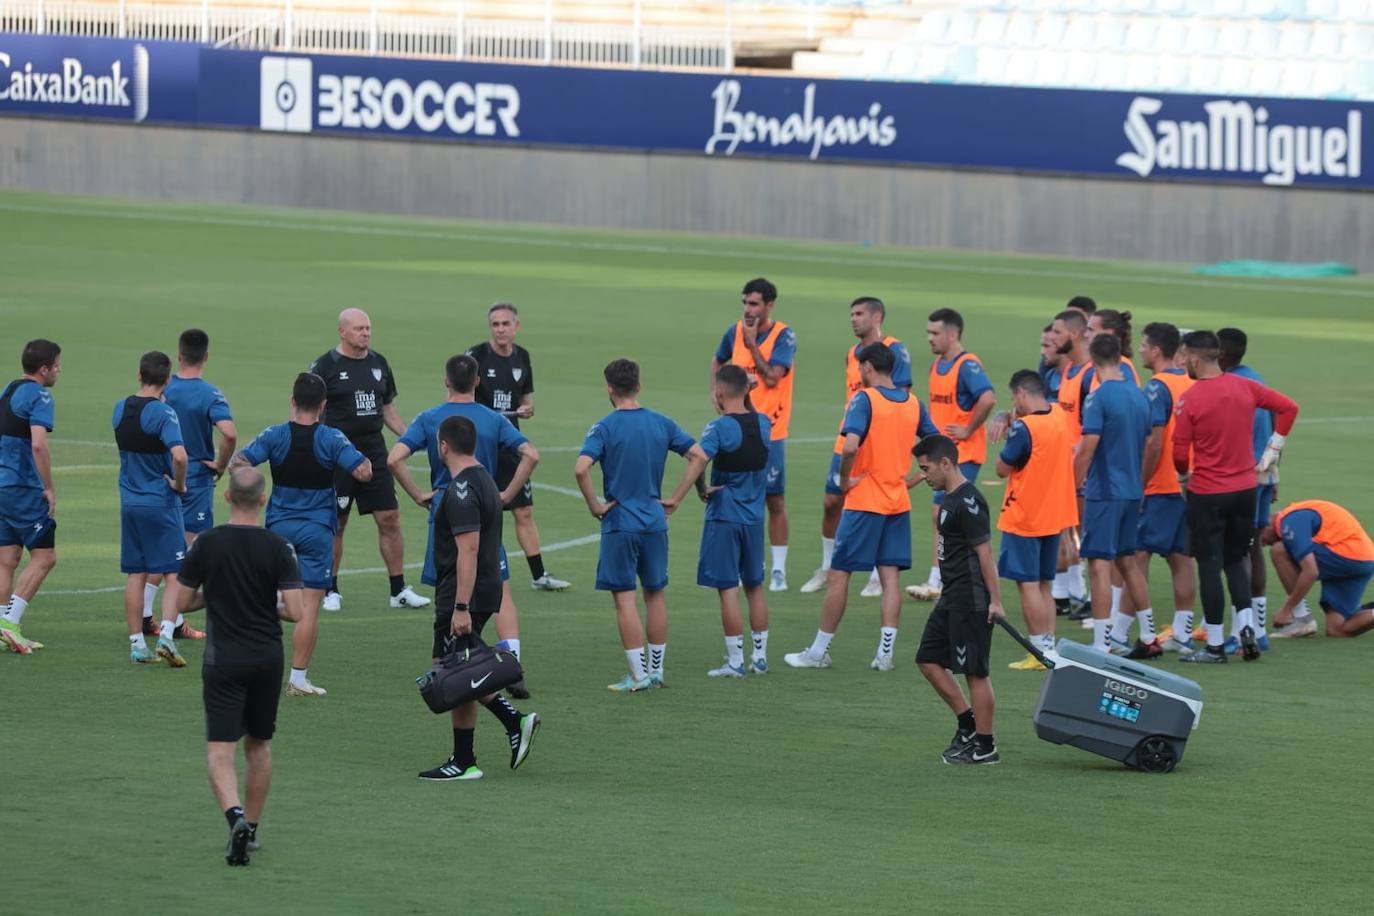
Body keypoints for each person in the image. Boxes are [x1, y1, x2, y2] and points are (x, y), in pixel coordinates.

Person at [175, 467, 307, 866]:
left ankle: (234, 817)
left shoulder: (207, 543)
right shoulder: (279, 546)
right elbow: (297, 612)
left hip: (223, 660)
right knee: (259, 745)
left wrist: (215, 596)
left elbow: (182, 602)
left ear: (228, 497)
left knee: (220, 751)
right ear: (263, 500)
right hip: (267, 658)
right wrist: (264, 601)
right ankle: (251, 826)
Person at [389, 354, 539, 699]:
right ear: (477, 382)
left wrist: (417, 495)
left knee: (451, 591)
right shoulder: (493, 418)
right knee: (499, 587)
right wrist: (505, 495)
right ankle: (509, 660)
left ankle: (469, 666)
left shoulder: (430, 418)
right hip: (485, 505)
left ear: (445, 381)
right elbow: (531, 454)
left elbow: (394, 458)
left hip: (447, 507)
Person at [785, 344, 928, 671]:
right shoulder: (913, 404)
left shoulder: (864, 399)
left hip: (865, 502)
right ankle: (885, 654)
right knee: (890, 578)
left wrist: (844, 479)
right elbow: (935, 444)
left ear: (867, 367)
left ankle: (818, 651)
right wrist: (915, 478)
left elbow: (850, 445)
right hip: (897, 503)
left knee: (839, 576)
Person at [233, 373, 372, 697]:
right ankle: (297, 679)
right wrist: (361, 458)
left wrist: (252, 489)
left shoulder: (275, 434)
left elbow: (239, 462)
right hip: (317, 531)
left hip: (278, 528)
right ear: (323, 406)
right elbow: (363, 472)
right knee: (309, 608)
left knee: (263, 600)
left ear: (292, 402)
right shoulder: (331, 438)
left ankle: (253, 669)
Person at [418, 416, 540, 781]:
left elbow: (467, 550)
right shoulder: (485, 478)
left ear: (443, 447)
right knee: (455, 665)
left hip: (463, 593)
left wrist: (460, 607)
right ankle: (506, 727)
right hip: (482, 588)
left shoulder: (460, 490)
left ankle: (467, 758)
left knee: (454, 670)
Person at [575, 359, 706, 692]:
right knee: (655, 596)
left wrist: (595, 505)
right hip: (654, 522)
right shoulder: (661, 422)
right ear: (638, 385)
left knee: (625, 600)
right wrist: (675, 497)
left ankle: (637, 675)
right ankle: (657, 670)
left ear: (609, 388)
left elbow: (581, 468)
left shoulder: (604, 427)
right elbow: (700, 456)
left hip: (621, 523)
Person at [1173, 330, 1299, 664]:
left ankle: (1215, 645)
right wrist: (1273, 451)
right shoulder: (1245, 387)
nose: (1183, 363)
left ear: (1197, 359)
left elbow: (1179, 451)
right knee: (1236, 559)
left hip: (1208, 491)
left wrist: (1184, 475)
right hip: (1245, 489)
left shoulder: (1191, 397)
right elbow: (1289, 408)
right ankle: (1247, 631)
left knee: (1210, 565)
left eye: (1185, 357)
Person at [310, 308, 428, 612]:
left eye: (368, 328)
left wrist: (409, 436)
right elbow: (311, 411)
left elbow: (387, 407)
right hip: (337, 455)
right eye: (359, 328)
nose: (366, 333)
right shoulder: (325, 366)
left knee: (389, 518)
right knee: (336, 522)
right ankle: (329, 589)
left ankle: (399, 589)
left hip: (375, 453)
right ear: (342, 332)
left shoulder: (379, 363)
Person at [800, 296, 916, 599]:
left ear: (877, 316)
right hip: (848, 438)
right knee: (831, 501)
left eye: (860, 313)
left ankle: (879, 573)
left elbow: (900, 397)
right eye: (851, 313)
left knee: (877, 503)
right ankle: (826, 566)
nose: (853, 318)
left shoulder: (895, 349)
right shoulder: (852, 353)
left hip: (877, 442)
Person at [668, 365, 771, 677]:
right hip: (755, 518)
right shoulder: (764, 423)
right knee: (755, 587)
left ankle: (736, 661)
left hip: (725, 516)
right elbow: (751, 420)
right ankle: (761, 657)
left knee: (728, 589)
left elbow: (699, 459)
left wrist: (682, 495)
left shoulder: (718, 428)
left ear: (720, 393)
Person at [913, 435, 1005, 766]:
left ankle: (986, 745)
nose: (924, 475)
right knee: (927, 659)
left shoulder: (969, 501)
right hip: (951, 596)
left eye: (926, 468)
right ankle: (967, 724)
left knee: (975, 672)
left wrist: (995, 600)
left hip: (971, 598)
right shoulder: (948, 498)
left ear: (945, 463)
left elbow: (985, 553)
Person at [467, 303, 569, 592]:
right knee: (484, 513)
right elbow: (461, 398)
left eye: (505, 324)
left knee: (523, 511)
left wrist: (527, 409)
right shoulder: (475, 356)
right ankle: (479, 570)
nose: (500, 329)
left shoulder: (522, 357)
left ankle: (539, 575)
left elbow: (526, 398)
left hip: (511, 446)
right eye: (495, 324)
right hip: (482, 447)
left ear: (516, 326)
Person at [710, 278, 796, 591]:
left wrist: (751, 344)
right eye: (745, 303)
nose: (748, 310)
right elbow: (718, 359)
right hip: (735, 428)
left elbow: (773, 377)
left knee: (773, 499)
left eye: (755, 304)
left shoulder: (783, 336)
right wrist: (715, 392)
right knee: (734, 494)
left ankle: (778, 569)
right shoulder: (734, 331)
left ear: (769, 305)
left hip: (768, 431)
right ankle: (746, 563)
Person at [154, 328, 238, 642]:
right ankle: (169, 626)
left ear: (179, 355)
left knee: (161, 550)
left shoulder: (163, 388)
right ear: (206, 356)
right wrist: (220, 463)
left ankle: (154, 621)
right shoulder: (210, 394)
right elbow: (229, 434)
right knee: (186, 555)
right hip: (195, 482)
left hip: (163, 477)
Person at [1073, 335, 1152, 655]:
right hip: (1132, 491)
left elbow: (1087, 449)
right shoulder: (1139, 395)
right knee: (1128, 563)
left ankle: (1101, 643)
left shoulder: (1098, 397)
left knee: (1099, 566)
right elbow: (1147, 444)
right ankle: (1148, 636)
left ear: (1092, 362)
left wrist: (1072, 487)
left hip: (1105, 492)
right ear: (1120, 358)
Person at [909, 308, 996, 602]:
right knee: (941, 515)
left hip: (965, 454)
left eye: (935, 333)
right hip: (943, 456)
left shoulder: (967, 365)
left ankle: (947, 578)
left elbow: (988, 397)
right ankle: (943, 578)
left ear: (953, 334)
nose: (929, 338)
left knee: (944, 513)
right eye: (928, 332)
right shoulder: (938, 365)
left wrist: (968, 428)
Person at [995, 370, 1077, 670]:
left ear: (1020, 394)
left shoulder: (1025, 429)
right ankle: (1048, 647)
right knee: (1044, 583)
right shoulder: (1058, 415)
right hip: (1054, 514)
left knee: (1027, 584)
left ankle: (1038, 651)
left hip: (1026, 515)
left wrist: (1010, 425)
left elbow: (1002, 468)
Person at [1125, 322, 1197, 655]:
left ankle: (1124, 632)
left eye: (1143, 345)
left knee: (1134, 558)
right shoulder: (1190, 382)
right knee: (1181, 558)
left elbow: (1153, 442)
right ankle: (1182, 632)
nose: (1139, 349)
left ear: (1156, 350)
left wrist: (1139, 483)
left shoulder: (1157, 387)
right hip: (1187, 483)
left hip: (1161, 484)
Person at [115, 351, 190, 666]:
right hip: (159, 502)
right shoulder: (163, 413)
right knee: (175, 572)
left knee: (136, 572)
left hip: (129, 501)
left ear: (138, 375)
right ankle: (167, 638)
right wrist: (180, 485)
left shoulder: (120, 408)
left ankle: (136, 645)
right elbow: (181, 456)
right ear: (167, 380)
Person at [0, 339, 62, 655]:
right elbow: (38, 444)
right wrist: (48, 487)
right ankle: (9, 624)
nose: (59, 371)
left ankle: (2, 625)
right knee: (45, 557)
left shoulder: (8, 389)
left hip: (1, 485)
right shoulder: (40, 395)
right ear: (44, 369)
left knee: (8, 558)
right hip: (23, 488)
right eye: (57, 366)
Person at [1218, 327, 1277, 651]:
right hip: (1264, 474)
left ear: (1222, 356)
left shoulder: (1234, 386)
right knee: (1252, 549)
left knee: (1235, 553)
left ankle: (1241, 632)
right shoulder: (1257, 379)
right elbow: (1279, 424)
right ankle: (1259, 627)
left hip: (1243, 479)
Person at [1264, 500, 1374, 638]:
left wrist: (1287, 609)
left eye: (1263, 540)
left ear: (1265, 526)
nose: (1264, 544)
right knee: (1336, 630)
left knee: (1279, 550)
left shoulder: (1289, 522)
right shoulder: (1291, 514)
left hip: (1347, 557)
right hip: (1363, 560)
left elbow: (1311, 572)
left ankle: (1302, 619)